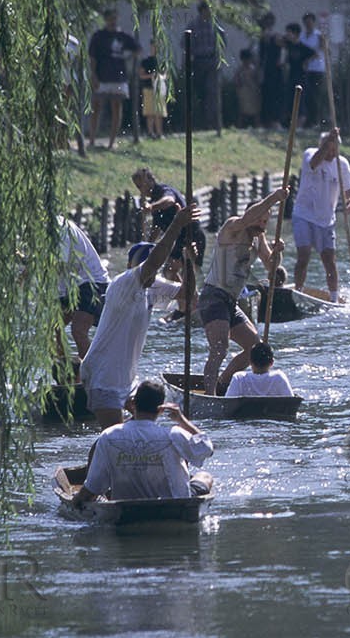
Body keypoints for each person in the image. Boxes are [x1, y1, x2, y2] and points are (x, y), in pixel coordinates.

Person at [78, 206, 198, 427]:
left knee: (140, 432)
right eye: (147, 267)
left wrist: (189, 261)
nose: (153, 273)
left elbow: (189, 297)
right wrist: (177, 225)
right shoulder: (124, 283)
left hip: (127, 381)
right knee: (113, 438)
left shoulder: (151, 286)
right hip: (104, 377)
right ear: (131, 267)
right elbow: (153, 263)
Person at [199, 186, 288, 395]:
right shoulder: (233, 227)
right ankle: (210, 396)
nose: (261, 225)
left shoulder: (259, 239)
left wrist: (278, 253)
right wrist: (274, 197)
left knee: (255, 348)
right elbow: (247, 218)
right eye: (259, 220)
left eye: (265, 222)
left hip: (231, 301)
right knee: (219, 349)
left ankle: (223, 383)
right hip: (213, 297)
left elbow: (271, 266)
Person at [72, 380, 214, 503]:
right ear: (161, 409)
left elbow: (93, 487)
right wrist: (181, 420)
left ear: (133, 403)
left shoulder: (109, 435)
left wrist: (76, 500)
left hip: (125, 505)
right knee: (205, 476)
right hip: (174, 504)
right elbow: (207, 449)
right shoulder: (175, 434)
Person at [292, 128, 350, 302]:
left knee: (329, 259)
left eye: (334, 149)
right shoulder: (310, 154)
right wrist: (328, 140)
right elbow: (314, 163)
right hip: (304, 214)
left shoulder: (341, 164)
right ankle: (298, 292)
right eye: (328, 148)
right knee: (303, 255)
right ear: (322, 145)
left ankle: (334, 298)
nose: (331, 152)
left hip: (326, 219)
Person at [57, 215, 109, 363]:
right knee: (51, 332)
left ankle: (93, 375)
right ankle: (65, 375)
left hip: (90, 282)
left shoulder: (59, 227)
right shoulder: (38, 230)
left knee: (78, 331)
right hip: (68, 287)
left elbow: (60, 263)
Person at [86, 9, 139, 151]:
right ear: (106, 19)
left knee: (116, 107)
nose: (113, 21)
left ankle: (111, 142)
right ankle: (91, 140)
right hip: (102, 76)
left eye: (115, 18)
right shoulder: (98, 36)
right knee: (96, 107)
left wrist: (127, 59)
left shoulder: (123, 36)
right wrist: (93, 75)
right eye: (110, 18)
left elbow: (137, 50)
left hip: (119, 77)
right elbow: (93, 57)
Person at [187, 1, 223, 131]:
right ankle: (202, 122)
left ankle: (212, 122)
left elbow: (222, 41)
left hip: (212, 60)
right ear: (202, 11)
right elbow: (186, 43)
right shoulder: (193, 25)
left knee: (212, 91)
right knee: (200, 92)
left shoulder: (215, 25)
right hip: (198, 61)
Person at [224, 341, 294, 398]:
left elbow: (228, 402)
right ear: (272, 362)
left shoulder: (239, 378)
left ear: (250, 362)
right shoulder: (279, 377)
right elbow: (291, 401)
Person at [256, 11, 287, 128]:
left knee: (276, 95)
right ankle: (266, 121)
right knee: (266, 96)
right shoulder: (261, 37)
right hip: (266, 71)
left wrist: (282, 61)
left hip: (275, 70)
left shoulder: (276, 36)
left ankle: (275, 120)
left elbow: (285, 49)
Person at [138, 42, 168, 139]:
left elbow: (166, 74)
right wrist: (151, 76)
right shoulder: (146, 61)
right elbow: (141, 75)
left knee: (159, 112)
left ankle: (159, 132)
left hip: (159, 89)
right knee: (150, 112)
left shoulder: (162, 61)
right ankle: (150, 132)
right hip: (149, 88)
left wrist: (160, 77)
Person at [300, 13, 326, 126]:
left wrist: (308, 60)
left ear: (313, 22)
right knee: (306, 95)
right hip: (306, 70)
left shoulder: (318, 35)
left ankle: (316, 121)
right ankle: (307, 121)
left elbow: (320, 51)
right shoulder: (302, 35)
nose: (308, 24)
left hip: (317, 69)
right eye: (306, 22)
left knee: (315, 95)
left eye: (310, 21)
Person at [234, 48, 261, 128]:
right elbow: (236, 81)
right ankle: (241, 126)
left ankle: (257, 126)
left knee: (256, 111)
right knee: (242, 111)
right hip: (243, 92)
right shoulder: (240, 70)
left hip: (253, 92)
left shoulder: (254, 69)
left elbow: (258, 80)